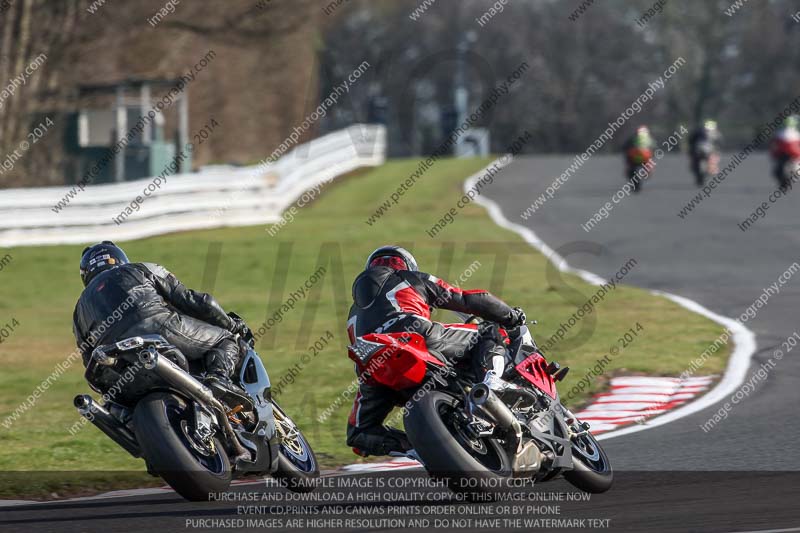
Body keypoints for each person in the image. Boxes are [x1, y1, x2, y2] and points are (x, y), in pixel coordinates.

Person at [344, 245, 526, 457]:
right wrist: (511, 315)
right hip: (416, 336)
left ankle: (418, 451)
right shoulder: (408, 278)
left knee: (359, 434)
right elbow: (466, 299)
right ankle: (492, 380)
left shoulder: (353, 313)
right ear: (404, 265)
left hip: (375, 369)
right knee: (489, 331)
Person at [72, 241, 249, 406]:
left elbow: (89, 360)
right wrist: (232, 325)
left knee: (117, 406)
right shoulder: (140, 269)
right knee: (226, 340)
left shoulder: (78, 311)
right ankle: (219, 379)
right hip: (158, 325)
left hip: (117, 363)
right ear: (120, 259)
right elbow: (197, 302)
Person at [770, 115, 800, 191]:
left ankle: (785, 183)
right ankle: (785, 183)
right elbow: (774, 144)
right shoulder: (781, 133)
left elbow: (773, 144)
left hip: (791, 154)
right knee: (778, 170)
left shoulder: (795, 134)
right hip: (785, 154)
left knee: (781, 170)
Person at [689, 119, 722, 185]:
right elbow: (691, 140)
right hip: (699, 150)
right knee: (694, 160)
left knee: (713, 158)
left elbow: (719, 143)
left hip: (708, 151)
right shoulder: (698, 132)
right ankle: (702, 171)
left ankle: (710, 169)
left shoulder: (716, 134)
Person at [623, 126, 656, 192]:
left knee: (630, 168)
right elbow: (654, 147)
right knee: (648, 164)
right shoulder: (649, 138)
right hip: (645, 157)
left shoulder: (634, 138)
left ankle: (634, 178)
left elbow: (625, 147)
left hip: (634, 157)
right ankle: (648, 171)